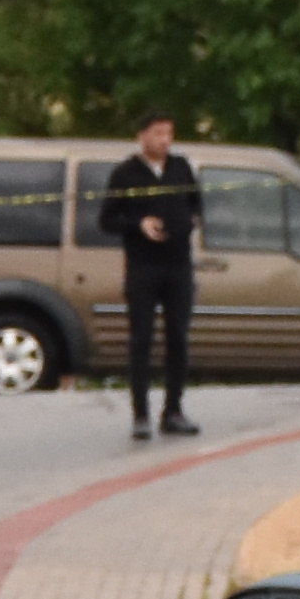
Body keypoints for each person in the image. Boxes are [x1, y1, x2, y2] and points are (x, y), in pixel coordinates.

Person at [88, 117, 205, 442]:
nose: (165, 140)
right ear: (142, 136)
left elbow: (197, 205)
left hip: (178, 265)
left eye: (169, 133)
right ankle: (140, 414)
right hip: (143, 267)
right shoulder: (126, 173)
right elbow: (107, 219)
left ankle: (174, 410)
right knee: (142, 338)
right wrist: (139, 224)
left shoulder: (181, 167)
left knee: (178, 338)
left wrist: (188, 221)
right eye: (158, 133)